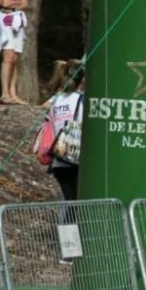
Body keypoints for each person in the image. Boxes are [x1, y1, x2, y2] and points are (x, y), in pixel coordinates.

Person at [44, 59, 85, 200]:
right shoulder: (83, 100)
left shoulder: (56, 100)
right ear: (82, 80)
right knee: (78, 205)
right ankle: (69, 223)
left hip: (58, 160)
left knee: (70, 202)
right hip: (76, 159)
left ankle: (66, 223)